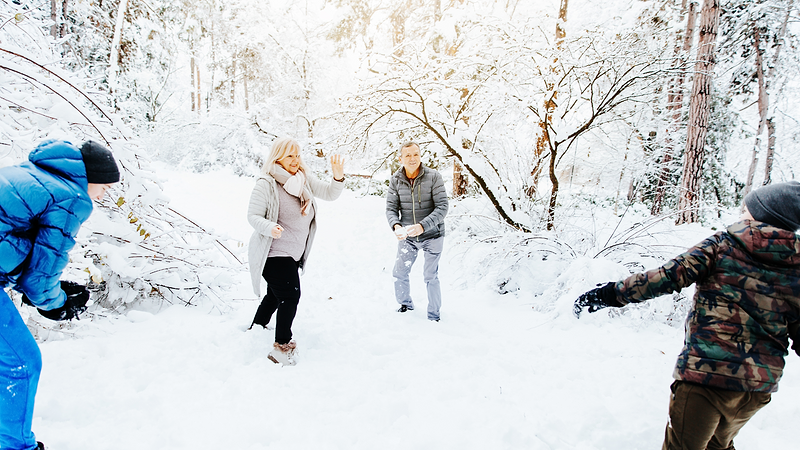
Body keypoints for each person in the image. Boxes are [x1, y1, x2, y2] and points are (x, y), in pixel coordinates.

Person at [574, 181, 800, 450]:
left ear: (763, 215)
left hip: (707, 376)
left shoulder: (724, 244)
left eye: (747, 211)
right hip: (757, 387)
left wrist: (612, 293)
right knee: (719, 446)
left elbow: (668, 276)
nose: (742, 215)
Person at [0, 139, 120, 450]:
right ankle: (15, 447)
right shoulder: (72, 196)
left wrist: (36, 288)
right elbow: (42, 278)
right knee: (22, 363)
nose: (102, 194)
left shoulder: (32, 173)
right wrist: (57, 304)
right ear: (89, 178)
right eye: (104, 187)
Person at [247, 137, 344, 366]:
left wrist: (338, 176)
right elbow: (253, 216)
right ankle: (282, 347)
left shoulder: (303, 180)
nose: (295, 160)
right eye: (290, 155)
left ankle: (257, 327)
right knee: (290, 296)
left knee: (275, 294)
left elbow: (330, 193)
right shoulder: (267, 183)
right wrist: (270, 227)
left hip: (293, 254)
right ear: (278, 157)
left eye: (298, 155)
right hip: (272, 253)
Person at [386, 141, 449, 321]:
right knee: (399, 272)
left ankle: (434, 315)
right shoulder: (396, 180)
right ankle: (405, 304)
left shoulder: (433, 176)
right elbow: (391, 208)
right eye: (408, 155)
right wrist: (396, 225)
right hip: (408, 237)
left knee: (430, 275)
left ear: (420, 155)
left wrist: (422, 226)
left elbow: (443, 207)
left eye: (416, 154)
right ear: (400, 159)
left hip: (433, 235)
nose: (412, 159)